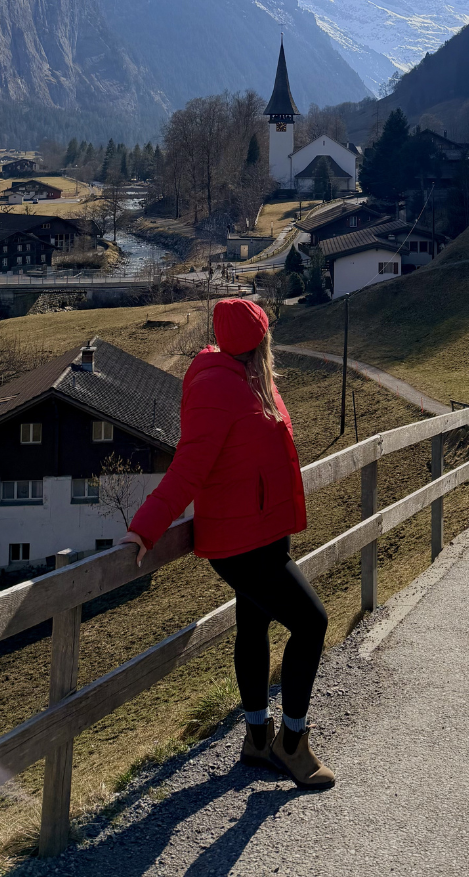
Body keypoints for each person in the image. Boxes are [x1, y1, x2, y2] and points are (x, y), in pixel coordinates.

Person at [122, 297, 334, 789]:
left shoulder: (249, 376)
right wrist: (145, 527)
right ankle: (292, 743)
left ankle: (257, 740)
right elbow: (187, 469)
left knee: (253, 625)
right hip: (242, 543)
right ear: (259, 340)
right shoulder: (218, 386)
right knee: (312, 622)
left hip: (261, 532)